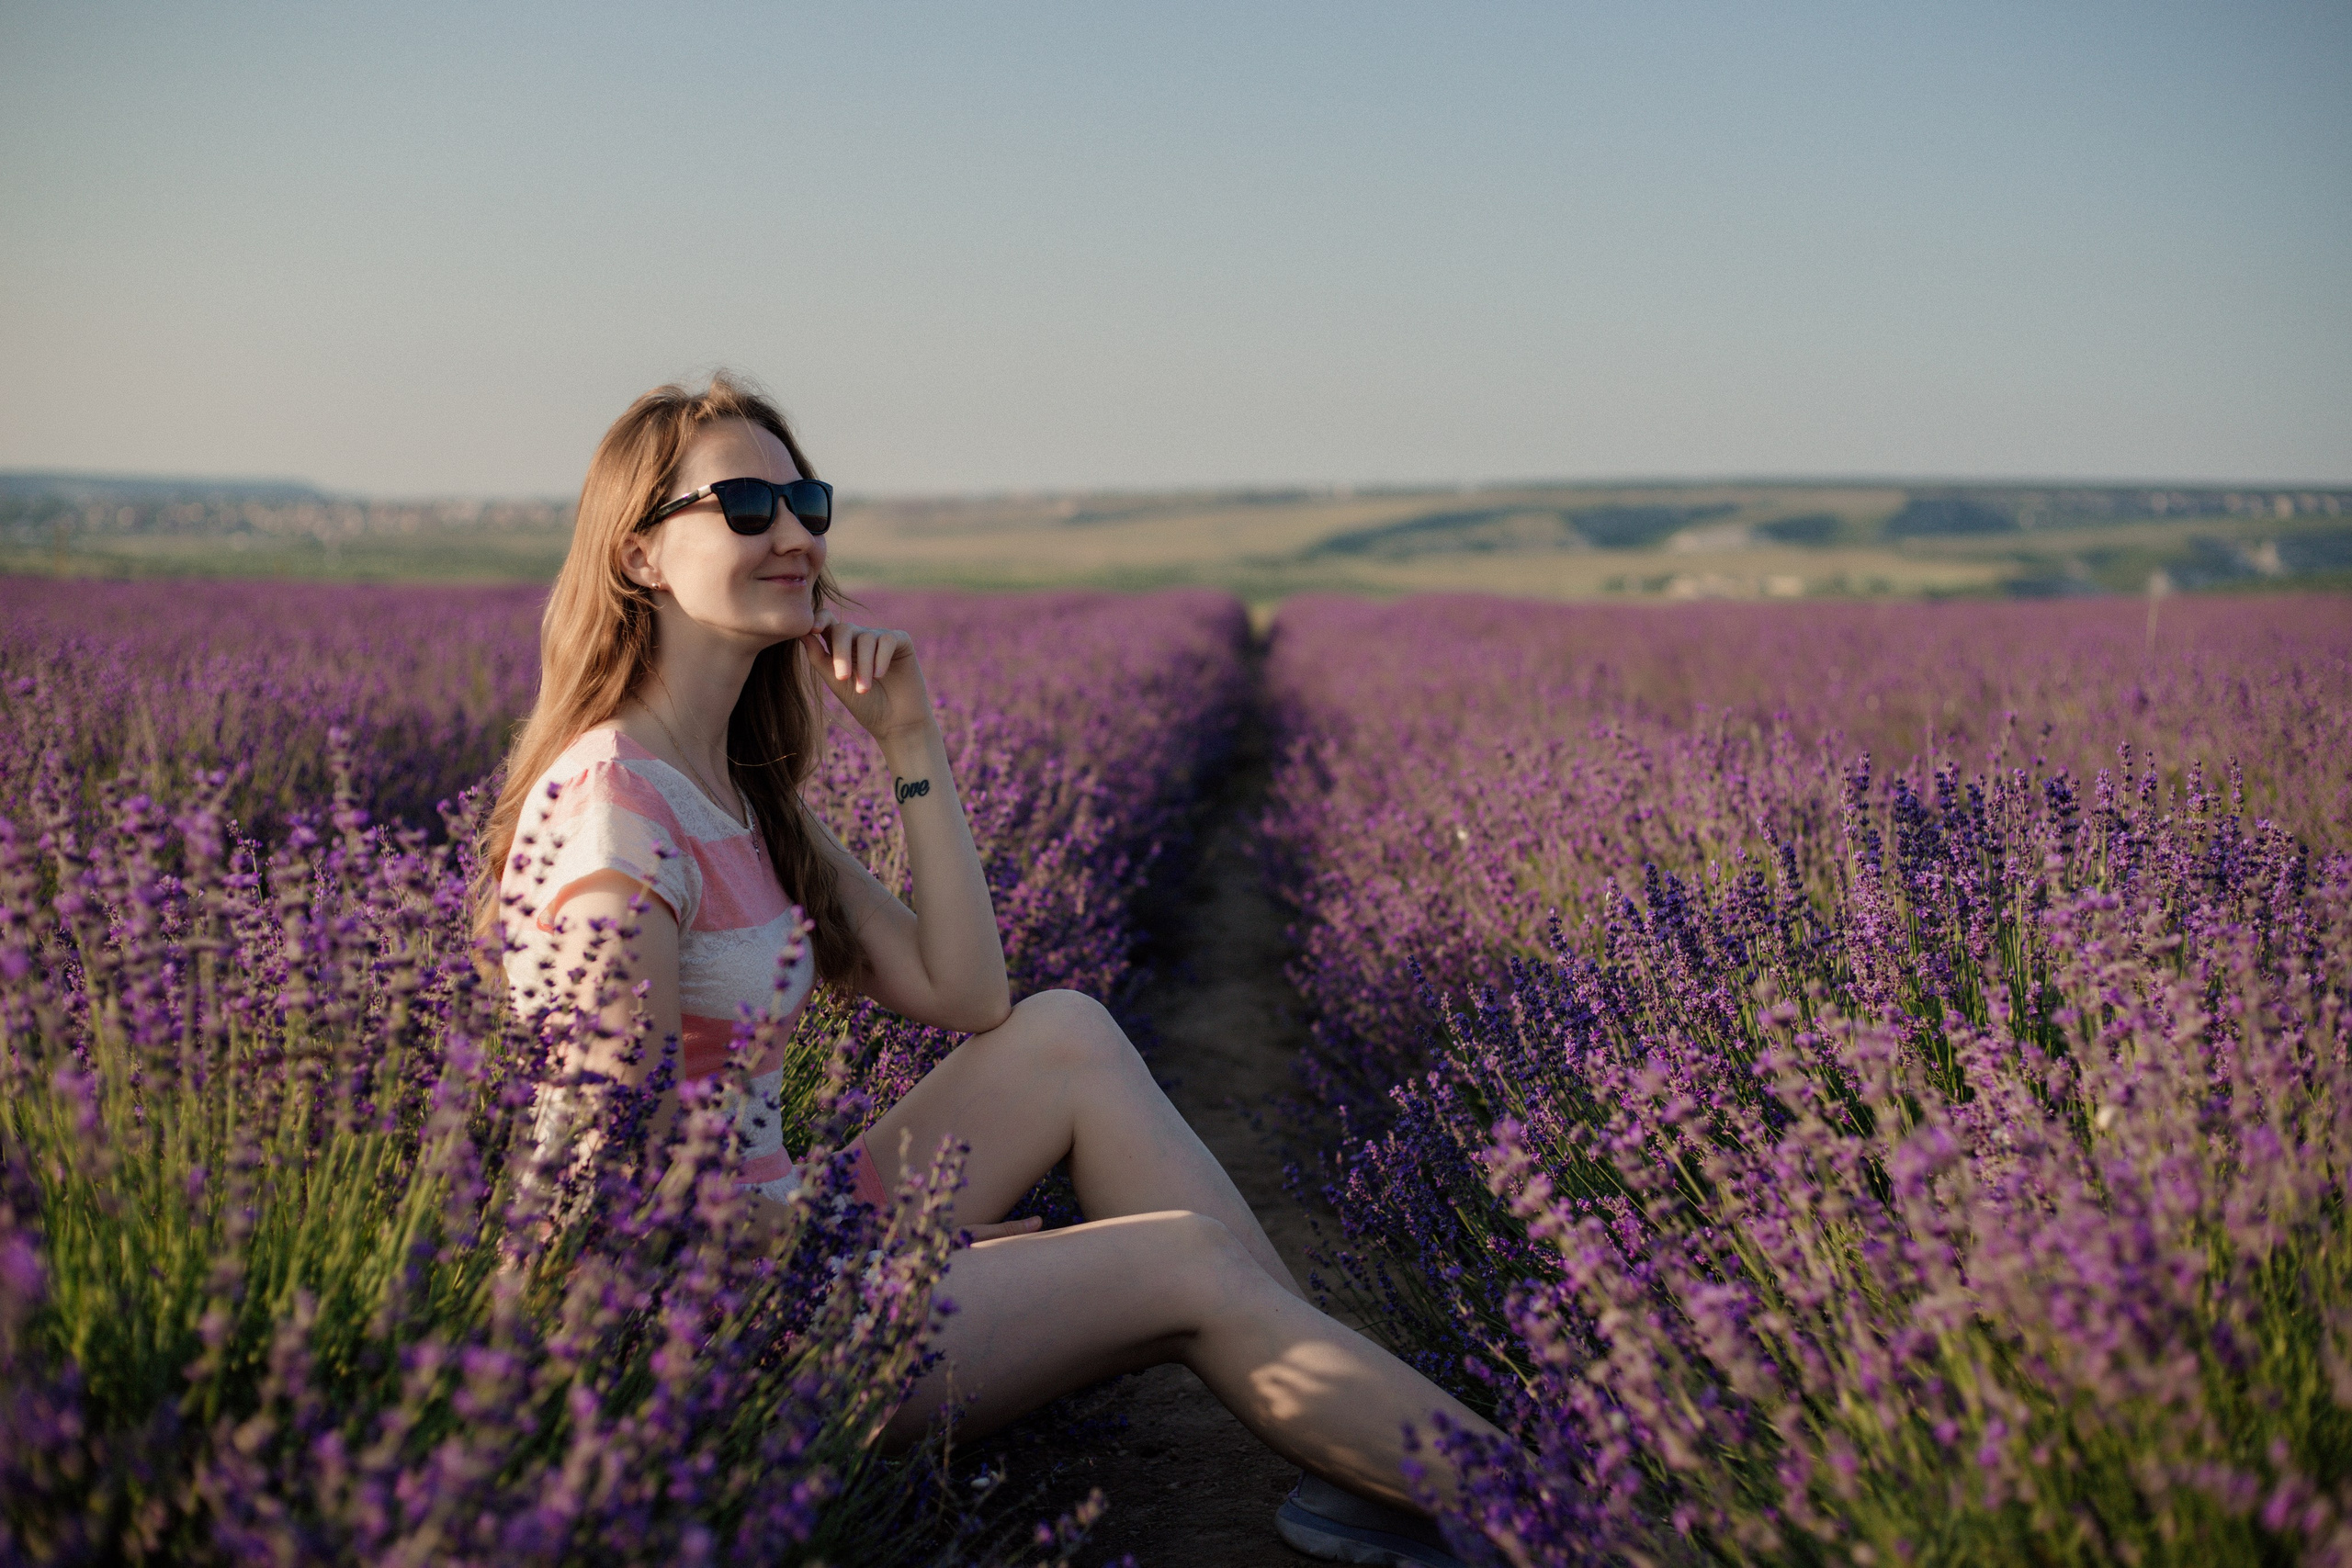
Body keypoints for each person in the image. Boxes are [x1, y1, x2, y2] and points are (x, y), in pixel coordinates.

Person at [476, 373, 1498, 1567]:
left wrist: (912, 741)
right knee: (1184, 1256)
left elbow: (967, 998)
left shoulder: (734, 796)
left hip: (777, 1243)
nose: (797, 535)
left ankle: (1372, 1445)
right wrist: (881, 1254)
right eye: (746, 506)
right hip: (703, 1347)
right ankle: (1559, 1514)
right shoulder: (615, 812)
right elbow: (624, 1204)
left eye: (807, 500)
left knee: (1063, 1032)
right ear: (640, 555)